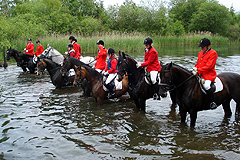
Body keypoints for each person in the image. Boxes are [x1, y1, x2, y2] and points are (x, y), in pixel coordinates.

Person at [192, 38, 218, 109]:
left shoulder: (213, 53)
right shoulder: (200, 53)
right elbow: (198, 63)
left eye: (203, 46)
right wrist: (195, 68)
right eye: (201, 46)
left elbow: (209, 66)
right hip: (200, 73)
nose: (201, 48)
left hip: (209, 75)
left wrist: (198, 70)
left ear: (208, 46)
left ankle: (212, 102)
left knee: (206, 86)